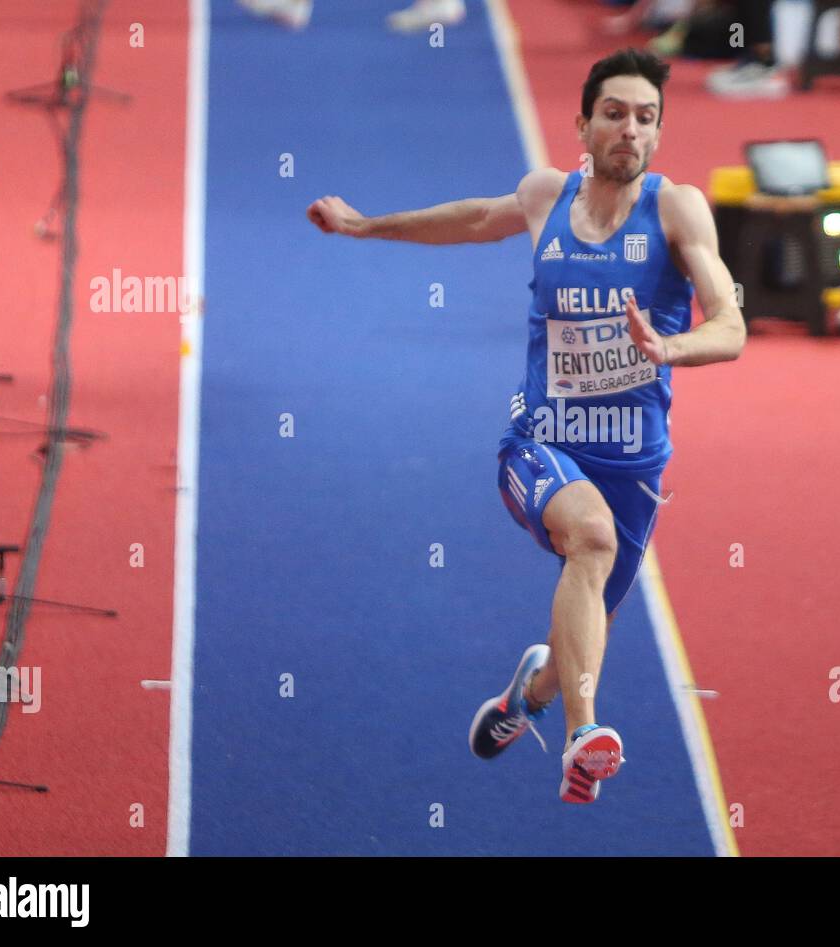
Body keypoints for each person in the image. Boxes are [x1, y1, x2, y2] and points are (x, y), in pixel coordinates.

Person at [306, 49, 745, 803]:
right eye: (614, 114)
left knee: (577, 632)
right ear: (583, 123)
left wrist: (668, 346)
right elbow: (474, 219)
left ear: (658, 134)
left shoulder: (678, 211)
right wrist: (365, 226)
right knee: (592, 538)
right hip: (539, 444)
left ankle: (528, 698)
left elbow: (731, 325)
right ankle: (582, 736)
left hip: (634, 464)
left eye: (645, 118)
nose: (629, 131)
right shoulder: (547, 196)